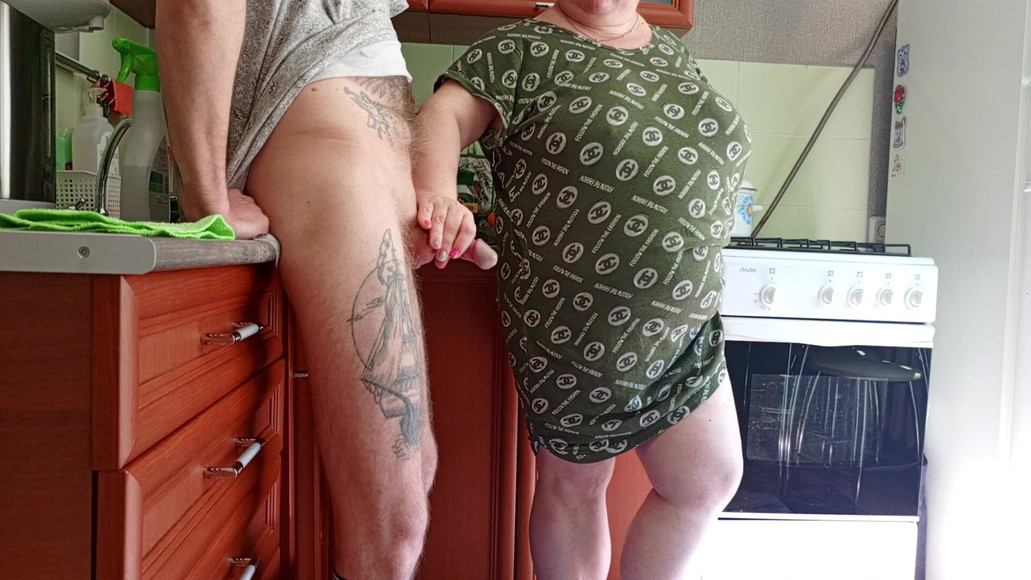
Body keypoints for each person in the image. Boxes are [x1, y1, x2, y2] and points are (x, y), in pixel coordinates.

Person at [155, 1, 494, 578]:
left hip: (359, 183)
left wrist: (415, 192)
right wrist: (205, 195)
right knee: (394, 526)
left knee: (417, 470)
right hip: (331, 172)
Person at [413, 1, 748, 577]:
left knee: (708, 479)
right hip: (578, 325)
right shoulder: (516, 50)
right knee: (576, 484)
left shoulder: (670, 52)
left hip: (684, 330)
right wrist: (438, 194)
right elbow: (441, 116)